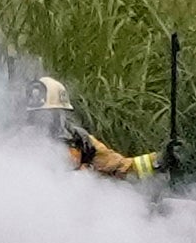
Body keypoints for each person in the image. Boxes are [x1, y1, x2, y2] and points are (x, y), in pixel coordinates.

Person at [29, 76, 157, 179]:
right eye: (39, 114)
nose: (45, 119)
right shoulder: (19, 145)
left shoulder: (80, 140)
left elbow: (121, 167)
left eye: (52, 113)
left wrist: (157, 160)